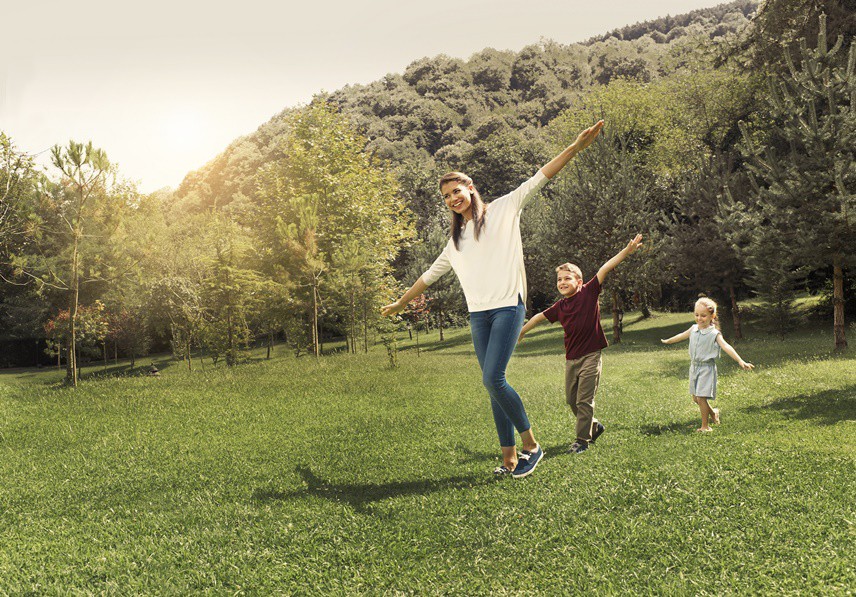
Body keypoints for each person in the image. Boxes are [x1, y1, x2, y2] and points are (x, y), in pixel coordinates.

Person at [382, 120, 604, 479]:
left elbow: (540, 176)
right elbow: (428, 276)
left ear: (471, 188)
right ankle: (509, 460)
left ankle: (532, 446)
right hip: (478, 317)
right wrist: (401, 303)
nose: (453, 199)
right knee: (492, 386)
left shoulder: (503, 209)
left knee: (494, 379)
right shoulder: (455, 242)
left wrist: (575, 147)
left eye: (457, 190)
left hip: (507, 308)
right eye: (447, 197)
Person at [517, 235, 643, 454]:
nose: (562, 282)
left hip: (591, 356)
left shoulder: (589, 292)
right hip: (571, 359)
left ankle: (582, 440)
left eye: (567, 278)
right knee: (571, 400)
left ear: (579, 281)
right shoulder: (560, 306)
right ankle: (594, 426)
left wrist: (626, 251)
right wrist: (521, 332)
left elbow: (605, 268)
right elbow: (538, 317)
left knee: (584, 400)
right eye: (559, 280)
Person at [660, 297, 754, 432]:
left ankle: (705, 426)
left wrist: (740, 361)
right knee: (695, 398)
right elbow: (681, 335)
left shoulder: (714, 334)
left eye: (703, 315)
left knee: (701, 397)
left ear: (712, 316)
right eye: (696, 315)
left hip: (706, 368)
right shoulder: (693, 329)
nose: (699, 318)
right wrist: (669, 341)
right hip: (694, 367)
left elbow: (726, 347)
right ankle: (713, 412)